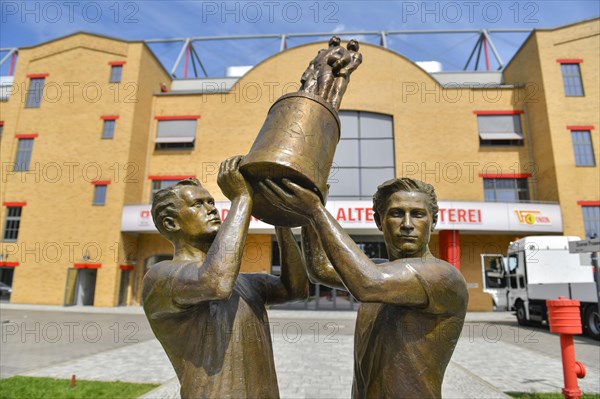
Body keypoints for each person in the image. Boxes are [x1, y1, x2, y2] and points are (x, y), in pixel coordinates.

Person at [259, 177, 468, 399]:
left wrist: (315, 210)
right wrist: (281, 216)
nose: (407, 224)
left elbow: (367, 283)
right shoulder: (380, 270)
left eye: (417, 214)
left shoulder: (442, 276)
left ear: (433, 222)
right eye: (397, 213)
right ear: (379, 221)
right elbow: (319, 268)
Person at [142, 156, 309, 399]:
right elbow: (215, 283)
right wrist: (242, 198)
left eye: (210, 201)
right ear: (171, 222)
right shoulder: (161, 277)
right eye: (198, 204)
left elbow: (295, 289)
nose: (210, 208)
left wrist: (279, 220)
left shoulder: (244, 282)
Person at [328, 40, 363, 110]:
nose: (353, 43)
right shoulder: (342, 52)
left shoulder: (357, 54)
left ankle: (333, 109)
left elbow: (354, 64)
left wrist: (346, 69)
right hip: (332, 73)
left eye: (356, 43)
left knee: (337, 91)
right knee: (328, 92)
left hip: (342, 75)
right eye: (351, 42)